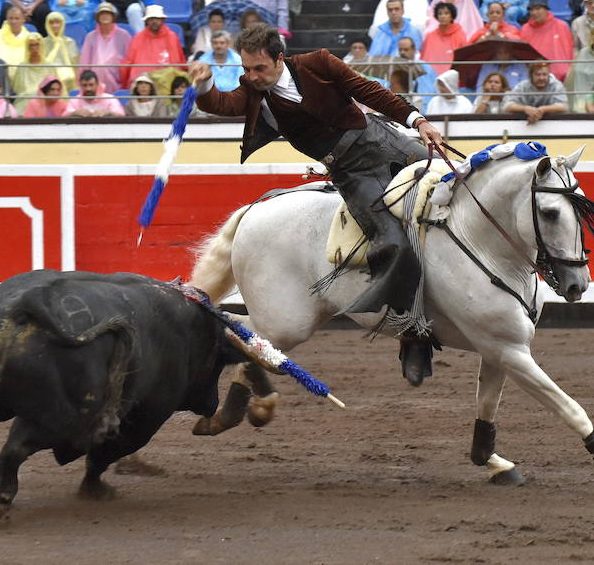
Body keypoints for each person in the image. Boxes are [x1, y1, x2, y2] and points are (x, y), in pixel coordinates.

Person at [188, 23, 446, 386]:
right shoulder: (254, 92)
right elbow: (221, 103)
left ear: (280, 58)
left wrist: (418, 120)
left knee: (454, 187)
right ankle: (413, 334)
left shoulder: (318, 63)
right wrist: (204, 85)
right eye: (246, 69)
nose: (251, 76)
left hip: (385, 143)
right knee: (392, 242)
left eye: (259, 68)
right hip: (352, 172)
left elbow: (367, 90)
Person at [121, 4, 184, 87]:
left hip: (166, 84)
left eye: (157, 19)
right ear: (146, 21)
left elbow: (178, 63)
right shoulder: (138, 38)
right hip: (142, 84)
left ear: (162, 20)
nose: (154, 21)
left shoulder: (172, 37)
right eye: (151, 19)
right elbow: (129, 63)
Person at [78, 1, 131, 94]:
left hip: (117, 74)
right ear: (98, 17)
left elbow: (129, 57)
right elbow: (85, 61)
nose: (105, 16)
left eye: (108, 14)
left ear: (113, 17)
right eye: (102, 14)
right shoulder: (91, 36)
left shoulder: (123, 35)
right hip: (94, 76)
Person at [520, 0, 574, 82]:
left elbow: (569, 51)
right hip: (533, 77)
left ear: (546, 10)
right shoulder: (525, 29)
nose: (534, 12)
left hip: (561, 78)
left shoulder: (561, 26)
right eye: (532, 9)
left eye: (538, 9)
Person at [502, 62, 568, 123]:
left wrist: (542, 109)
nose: (541, 78)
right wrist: (525, 109)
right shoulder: (522, 86)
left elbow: (563, 106)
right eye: (537, 74)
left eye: (544, 74)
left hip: (553, 125)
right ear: (531, 76)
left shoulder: (556, 85)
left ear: (548, 75)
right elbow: (507, 106)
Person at [421, 2, 466, 74]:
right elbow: (425, 60)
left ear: (452, 16)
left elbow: (463, 58)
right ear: (436, 17)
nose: (443, 16)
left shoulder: (460, 34)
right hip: (432, 75)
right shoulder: (430, 36)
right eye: (440, 14)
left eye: (446, 13)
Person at [12, 31, 50, 113]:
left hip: (45, 101)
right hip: (24, 102)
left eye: (37, 45)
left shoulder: (49, 66)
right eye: (31, 45)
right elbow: (17, 89)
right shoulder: (22, 67)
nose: (34, 48)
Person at [397, 35, 438, 111]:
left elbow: (431, 92)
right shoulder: (394, 67)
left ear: (413, 50)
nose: (402, 52)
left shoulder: (425, 67)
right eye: (400, 50)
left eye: (406, 50)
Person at [43, 11, 79, 92]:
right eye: (51, 23)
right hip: (47, 75)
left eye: (57, 22)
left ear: (62, 24)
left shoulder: (70, 42)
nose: (55, 25)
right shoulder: (42, 43)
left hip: (68, 77)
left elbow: (75, 64)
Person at [0, 5, 31, 79]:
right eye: (11, 18)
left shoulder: (30, 38)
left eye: (17, 18)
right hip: (0, 75)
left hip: (23, 76)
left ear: (23, 20)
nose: (13, 21)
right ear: (6, 19)